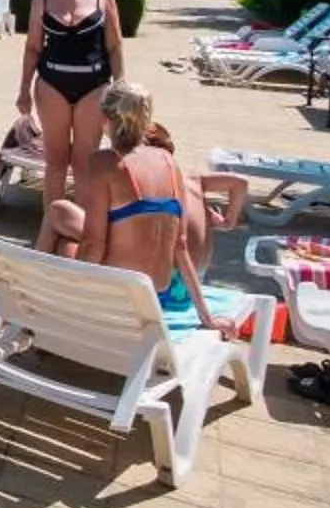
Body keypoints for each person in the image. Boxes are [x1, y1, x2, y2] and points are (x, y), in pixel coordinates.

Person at [77, 81, 228, 333]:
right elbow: (180, 249)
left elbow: (94, 246)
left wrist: (72, 292)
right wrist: (207, 317)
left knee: (66, 241)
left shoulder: (105, 163)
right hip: (155, 298)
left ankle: (37, 325)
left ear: (104, 117)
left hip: (116, 296)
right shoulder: (169, 163)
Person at [16, 0, 126, 240]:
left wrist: (121, 88)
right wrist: (23, 89)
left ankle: (84, 231)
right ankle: (50, 230)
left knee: (84, 162)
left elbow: (115, 46)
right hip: (51, 85)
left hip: (94, 86)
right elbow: (33, 46)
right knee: (55, 160)